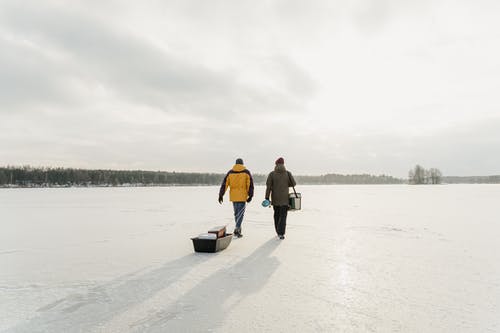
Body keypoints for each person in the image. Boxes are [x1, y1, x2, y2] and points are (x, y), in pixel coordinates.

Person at [218, 158, 254, 237]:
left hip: (234, 197)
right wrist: (250, 195)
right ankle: (237, 228)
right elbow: (250, 184)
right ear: (242, 164)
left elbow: (224, 184)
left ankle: (238, 229)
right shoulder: (246, 172)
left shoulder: (230, 172)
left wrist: (221, 195)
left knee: (237, 213)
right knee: (240, 214)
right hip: (242, 196)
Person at [265, 157, 296, 239]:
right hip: (285, 200)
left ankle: (278, 231)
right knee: (283, 216)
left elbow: (268, 187)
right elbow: (294, 183)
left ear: (276, 164)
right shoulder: (288, 173)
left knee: (276, 215)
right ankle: (281, 233)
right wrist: (285, 184)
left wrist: (267, 198)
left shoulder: (272, 174)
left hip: (275, 199)